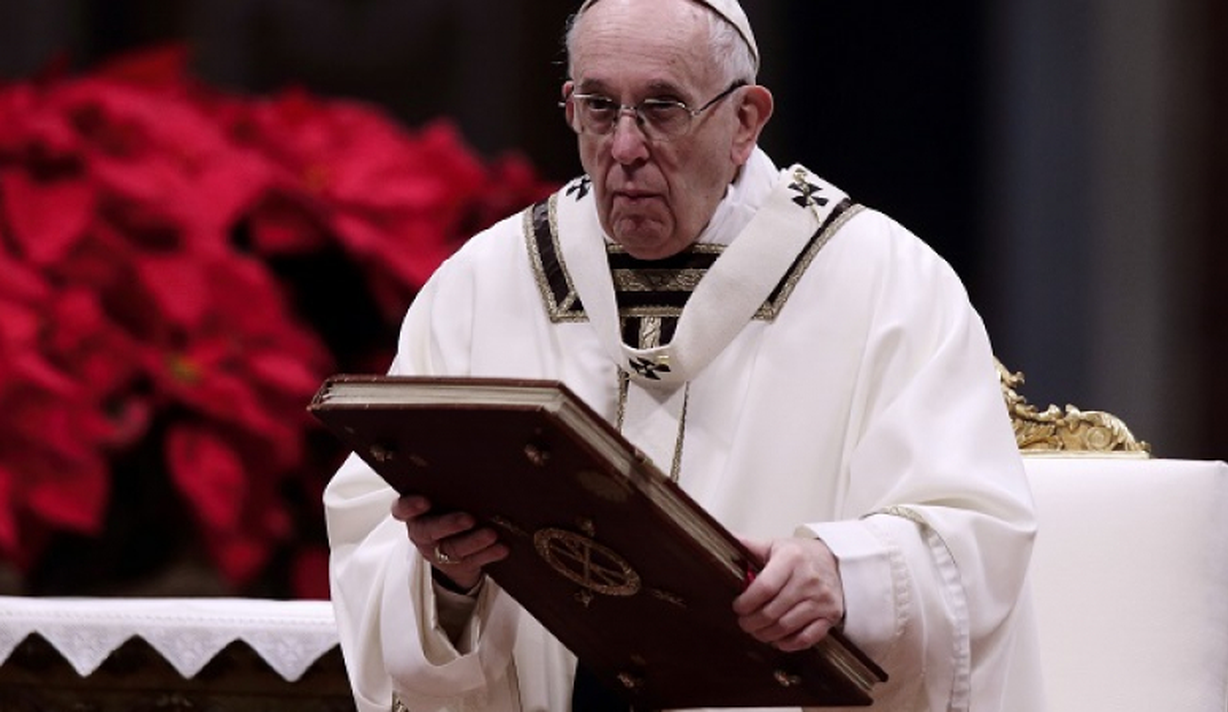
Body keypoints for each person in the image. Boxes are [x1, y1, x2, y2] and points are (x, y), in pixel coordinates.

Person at [323, 0, 1046, 710]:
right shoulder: (486, 285)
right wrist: (447, 579)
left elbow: (977, 534)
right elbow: (374, 528)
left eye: (661, 109)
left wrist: (845, 574)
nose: (624, 147)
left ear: (745, 121)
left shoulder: (883, 282)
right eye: (598, 108)